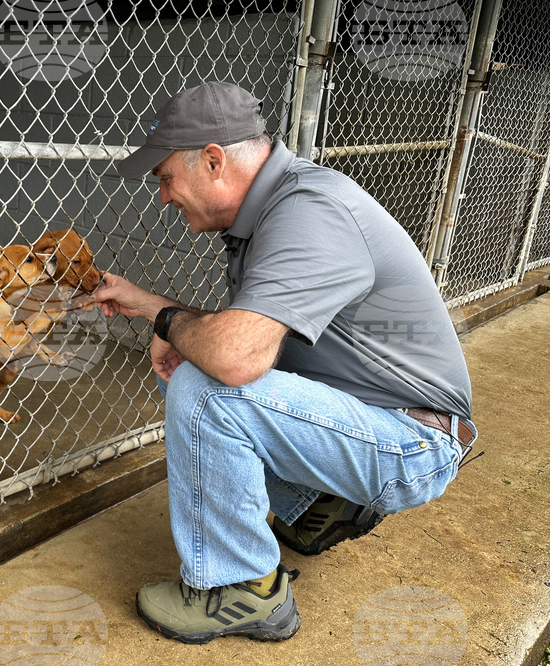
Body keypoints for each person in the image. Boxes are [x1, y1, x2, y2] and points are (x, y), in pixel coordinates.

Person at [93, 80, 476, 644]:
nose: (163, 197)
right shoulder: (272, 209)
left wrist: (171, 324)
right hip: (376, 415)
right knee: (197, 360)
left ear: (215, 161)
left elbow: (234, 357)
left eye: (166, 178)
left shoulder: (310, 211)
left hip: (414, 442)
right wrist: (150, 308)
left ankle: (241, 589)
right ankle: (321, 499)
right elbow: (242, 337)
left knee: (208, 387)